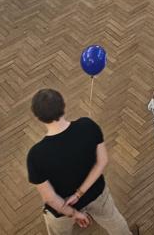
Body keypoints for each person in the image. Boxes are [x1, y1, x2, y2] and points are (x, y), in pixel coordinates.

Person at [26, 89, 136, 235]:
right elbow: (102, 161)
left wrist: (73, 213)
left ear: (39, 118)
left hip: (62, 209)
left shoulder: (35, 155)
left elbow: (50, 198)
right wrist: (79, 194)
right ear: (63, 105)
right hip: (96, 193)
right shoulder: (87, 125)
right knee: (114, 223)